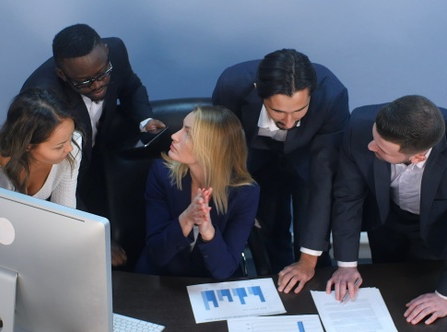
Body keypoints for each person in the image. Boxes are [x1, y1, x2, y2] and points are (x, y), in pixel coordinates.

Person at [326, 95, 447, 325]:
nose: (370, 146)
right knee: (385, 283)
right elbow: (348, 197)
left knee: (422, 294)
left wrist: (446, 296)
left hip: (436, 224)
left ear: (418, 157)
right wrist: (346, 266)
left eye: (381, 149)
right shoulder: (360, 123)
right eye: (375, 137)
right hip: (385, 216)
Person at [21, 23, 165, 268]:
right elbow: (58, 180)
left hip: (103, 148)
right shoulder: (41, 98)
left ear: (106, 52)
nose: (98, 85)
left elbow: (131, 86)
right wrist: (96, 238)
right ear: (62, 75)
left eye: (103, 74)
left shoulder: (116, 51)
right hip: (66, 169)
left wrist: (145, 119)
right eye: (85, 82)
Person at [212, 49, 350, 290]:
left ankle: (314, 286)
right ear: (259, 92)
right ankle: (279, 285)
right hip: (255, 158)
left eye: (298, 111)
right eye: (278, 112)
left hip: (309, 158)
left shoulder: (332, 95)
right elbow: (222, 149)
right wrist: (237, 196)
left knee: (313, 237)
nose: (288, 122)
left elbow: (323, 179)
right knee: (269, 229)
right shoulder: (231, 85)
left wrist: (307, 261)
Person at [135, 106, 260, 280]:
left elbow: (225, 270)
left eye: (188, 133)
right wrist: (186, 219)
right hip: (160, 280)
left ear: (211, 148)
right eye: (181, 128)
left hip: (209, 283)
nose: (174, 136)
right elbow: (157, 254)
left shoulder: (245, 193)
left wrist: (209, 233)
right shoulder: (162, 173)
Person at [0, 88, 82, 209]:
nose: (70, 148)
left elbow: (66, 211)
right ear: (27, 145)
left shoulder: (73, 143)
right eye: (59, 146)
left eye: (71, 136)